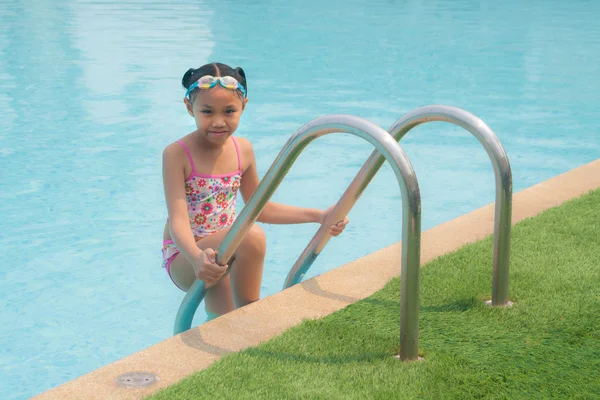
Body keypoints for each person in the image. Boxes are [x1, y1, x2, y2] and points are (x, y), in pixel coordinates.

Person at [162, 62, 349, 320]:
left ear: (244, 106)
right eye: (207, 111)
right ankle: (253, 314)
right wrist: (195, 257)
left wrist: (320, 216)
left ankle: (246, 323)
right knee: (251, 237)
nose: (218, 122)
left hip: (226, 251)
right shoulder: (177, 154)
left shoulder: (243, 151)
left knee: (225, 322)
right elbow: (178, 219)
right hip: (185, 257)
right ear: (189, 108)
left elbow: (260, 208)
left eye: (229, 111)